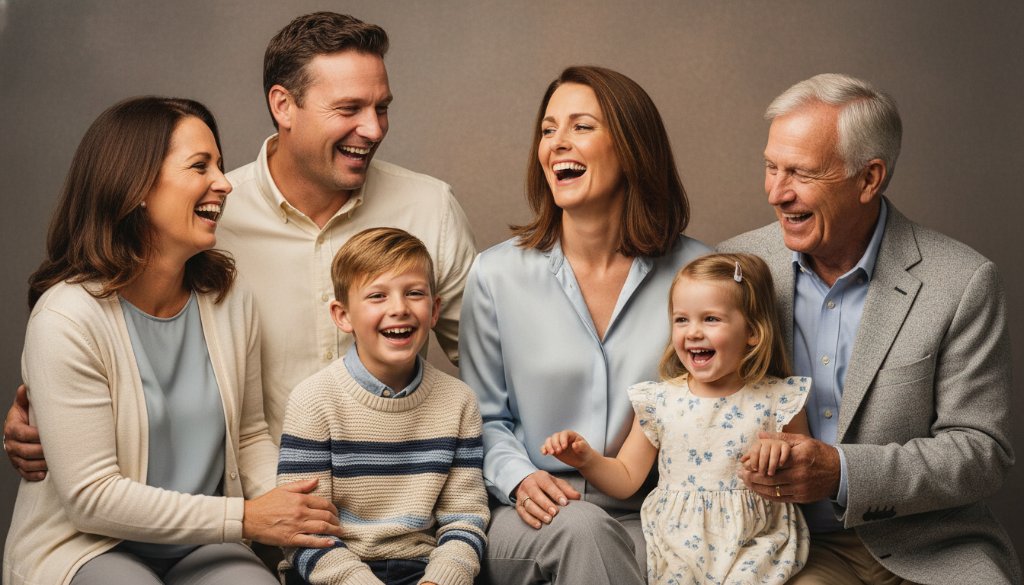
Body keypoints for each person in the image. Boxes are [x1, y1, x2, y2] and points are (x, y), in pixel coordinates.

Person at [4, 12, 477, 472]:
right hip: (258, 517)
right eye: (349, 109)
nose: (374, 129)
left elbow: (489, 370)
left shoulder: (429, 207)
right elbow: (123, 340)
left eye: (382, 107)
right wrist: (47, 418)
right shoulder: (202, 223)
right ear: (283, 106)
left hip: (406, 503)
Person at [2, 97, 342, 585]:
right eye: (200, 165)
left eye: (220, 166)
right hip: (88, 545)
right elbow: (91, 499)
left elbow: (246, 437)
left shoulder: (228, 297)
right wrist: (248, 518)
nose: (224, 183)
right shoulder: (67, 316)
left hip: (203, 545)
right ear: (135, 187)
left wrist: (295, 506)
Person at [719, 73, 1021, 584]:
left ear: (869, 178)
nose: (776, 193)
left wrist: (841, 471)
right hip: (789, 546)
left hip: (931, 543)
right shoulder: (736, 268)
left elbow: (981, 452)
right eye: (771, 168)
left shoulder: (963, 280)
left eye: (801, 173)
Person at [459, 65, 711, 585]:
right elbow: (482, 418)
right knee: (585, 532)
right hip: (532, 512)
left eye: (581, 126)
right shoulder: (495, 274)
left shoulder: (697, 276)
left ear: (632, 146)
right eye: (548, 130)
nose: (557, 144)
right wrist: (519, 477)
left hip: (653, 509)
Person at [542, 253, 811, 585]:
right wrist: (586, 459)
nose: (693, 332)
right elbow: (626, 478)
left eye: (710, 319)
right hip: (677, 545)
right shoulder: (661, 402)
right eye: (682, 320)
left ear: (753, 331)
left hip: (757, 541)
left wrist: (781, 457)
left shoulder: (778, 399)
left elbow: (808, 472)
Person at [276, 228, 488, 585]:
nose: (399, 309)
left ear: (434, 309)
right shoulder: (313, 401)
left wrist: (440, 580)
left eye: (414, 293)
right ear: (342, 315)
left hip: (424, 569)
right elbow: (304, 532)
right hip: (334, 570)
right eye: (377, 296)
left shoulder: (458, 401)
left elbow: (465, 518)